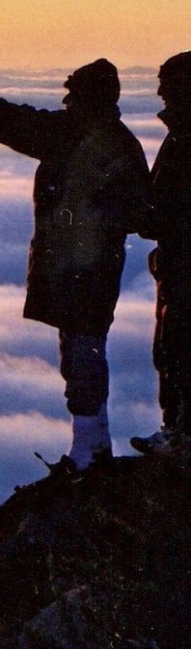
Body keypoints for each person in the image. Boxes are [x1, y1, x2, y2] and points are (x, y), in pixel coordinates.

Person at [0, 59, 151, 470]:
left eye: (74, 93)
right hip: (90, 267)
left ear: (89, 98)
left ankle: (89, 450)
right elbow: (14, 119)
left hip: (85, 269)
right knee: (82, 350)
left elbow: (14, 121)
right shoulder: (108, 142)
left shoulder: (79, 139)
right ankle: (92, 444)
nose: (66, 99)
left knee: (82, 352)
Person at [131, 51, 191, 456]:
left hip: (183, 266)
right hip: (176, 264)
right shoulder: (179, 137)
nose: (159, 92)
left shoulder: (184, 140)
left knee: (177, 348)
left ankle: (180, 434)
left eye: (167, 84)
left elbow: (167, 204)